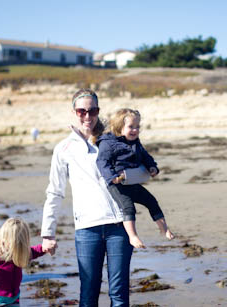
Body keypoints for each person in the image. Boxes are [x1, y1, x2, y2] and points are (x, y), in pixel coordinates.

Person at [42, 89, 143, 306]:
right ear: (74, 112)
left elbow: (145, 170)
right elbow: (55, 192)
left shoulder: (115, 139)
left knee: (119, 294)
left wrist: (124, 176)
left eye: (93, 110)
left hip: (119, 225)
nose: (87, 116)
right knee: (88, 294)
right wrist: (48, 233)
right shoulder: (63, 149)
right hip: (87, 229)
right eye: (82, 111)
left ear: (98, 111)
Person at [96, 108, 174, 249]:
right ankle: (133, 237)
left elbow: (145, 156)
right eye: (131, 127)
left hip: (132, 180)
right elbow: (102, 162)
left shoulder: (135, 142)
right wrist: (112, 177)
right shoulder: (107, 143)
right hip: (117, 184)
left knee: (151, 201)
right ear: (119, 127)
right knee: (128, 207)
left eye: (137, 127)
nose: (135, 130)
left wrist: (152, 167)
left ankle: (164, 229)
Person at [0, 217, 47, 306]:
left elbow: (31, 252)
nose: (19, 248)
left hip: (14, 296)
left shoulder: (18, 249)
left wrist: (43, 248)